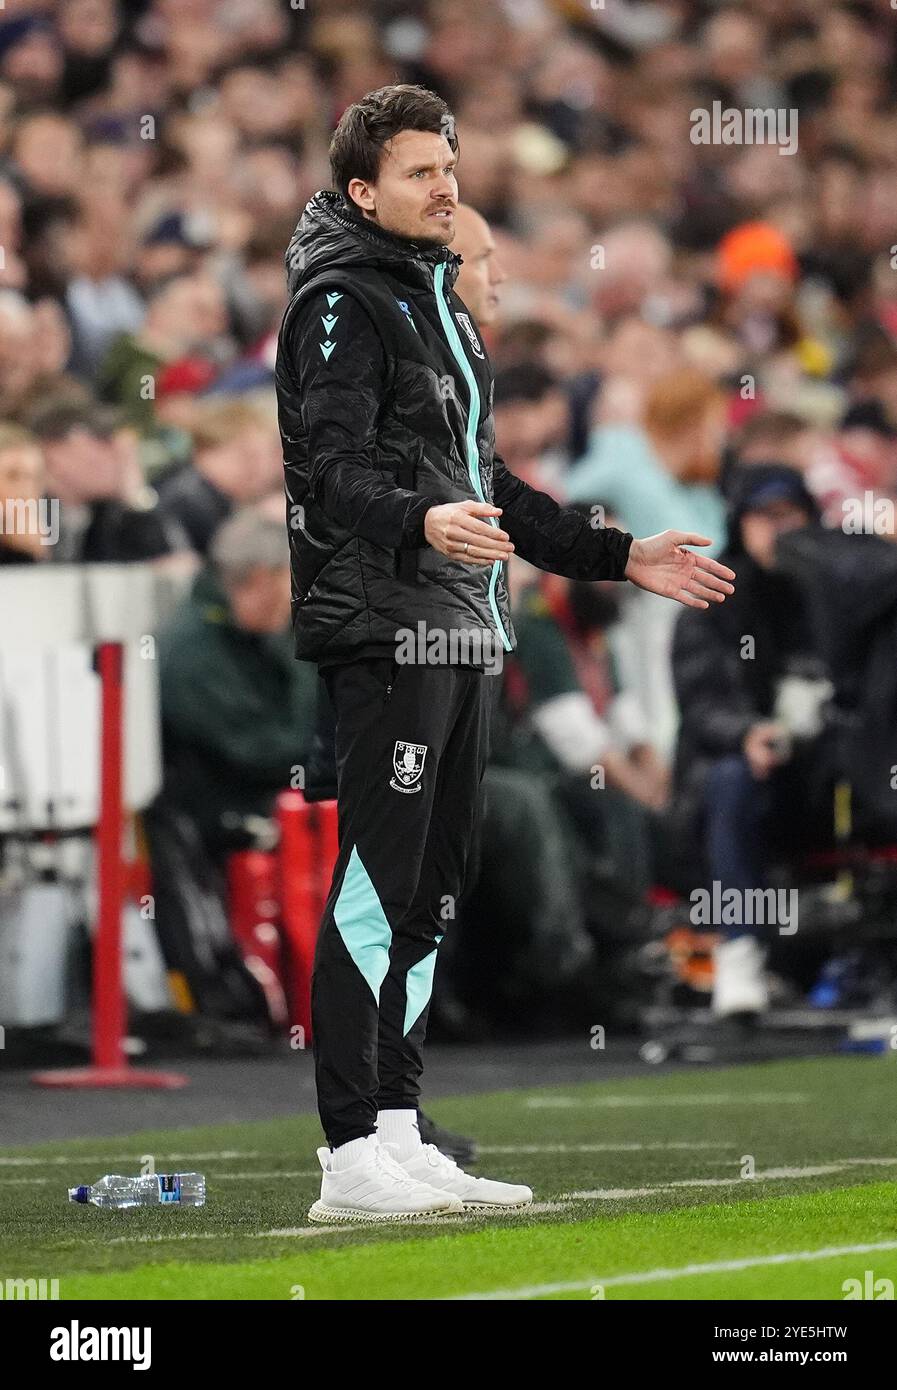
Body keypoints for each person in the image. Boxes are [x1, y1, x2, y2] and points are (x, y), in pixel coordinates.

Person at [275, 83, 735, 1224]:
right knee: (376, 888)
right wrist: (416, 522)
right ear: (363, 189)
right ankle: (345, 1154)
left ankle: (394, 1122)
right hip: (387, 621)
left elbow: (493, 488)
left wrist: (615, 554)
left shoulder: (431, 301)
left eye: (451, 166)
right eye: (423, 172)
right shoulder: (337, 301)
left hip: (462, 620)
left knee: (432, 885)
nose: (447, 186)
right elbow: (329, 469)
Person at [671, 464, 829, 1019]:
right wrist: (748, 733)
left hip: (822, 772)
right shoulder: (715, 593)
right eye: (766, 517)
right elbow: (701, 701)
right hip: (727, 779)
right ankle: (739, 948)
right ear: (742, 524)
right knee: (734, 778)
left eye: (790, 515)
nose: (779, 530)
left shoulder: (830, 594)